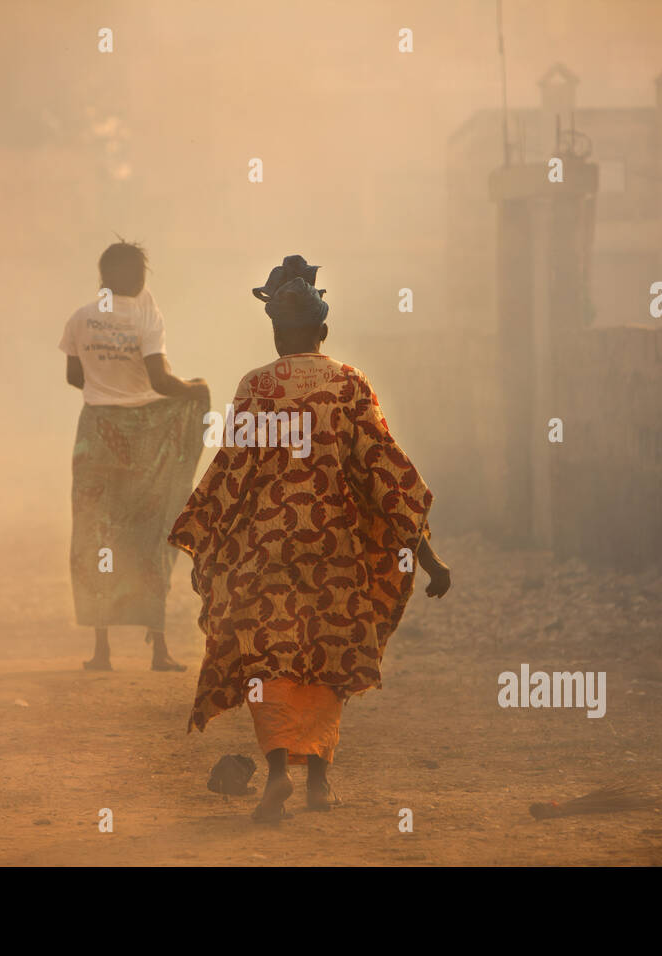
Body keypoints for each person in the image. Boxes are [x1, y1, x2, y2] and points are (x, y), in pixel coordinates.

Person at [168, 254, 451, 822]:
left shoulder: (255, 387)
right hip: (335, 551)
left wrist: (198, 536)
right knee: (327, 657)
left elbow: (229, 474)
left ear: (276, 332)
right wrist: (429, 558)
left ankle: (276, 774)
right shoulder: (350, 385)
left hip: (263, 550)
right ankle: (319, 781)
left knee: (267, 659)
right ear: (323, 331)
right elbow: (386, 475)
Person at [60, 240, 209, 671]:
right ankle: (158, 650)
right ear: (141, 276)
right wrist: (194, 390)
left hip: (95, 436)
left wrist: (108, 390)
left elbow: (74, 377)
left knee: (95, 532)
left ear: (103, 278)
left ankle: (101, 651)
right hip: (147, 436)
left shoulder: (80, 318)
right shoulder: (147, 316)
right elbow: (161, 382)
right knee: (152, 528)